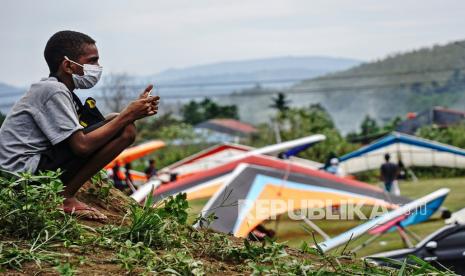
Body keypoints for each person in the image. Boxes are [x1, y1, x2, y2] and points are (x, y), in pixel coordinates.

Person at [0, 30, 159, 220]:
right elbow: (82, 146)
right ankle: (65, 196)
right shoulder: (53, 90)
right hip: (21, 174)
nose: (98, 67)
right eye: (92, 61)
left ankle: (64, 193)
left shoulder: (61, 91)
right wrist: (127, 116)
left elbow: (92, 129)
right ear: (68, 65)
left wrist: (129, 113)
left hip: (29, 167)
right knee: (125, 128)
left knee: (119, 122)